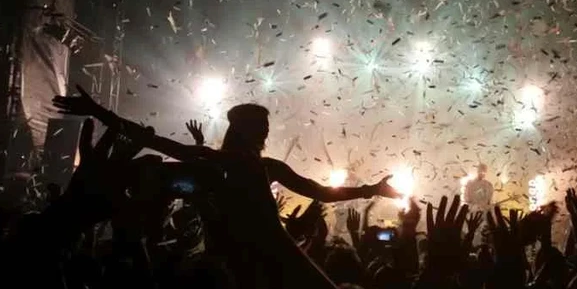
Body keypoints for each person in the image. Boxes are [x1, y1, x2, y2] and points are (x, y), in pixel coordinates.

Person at [52, 85, 401, 204]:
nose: (266, 133)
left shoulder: (268, 168)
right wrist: (99, 111)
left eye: (266, 126)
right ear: (244, 131)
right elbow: (150, 138)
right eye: (260, 126)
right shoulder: (220, 162)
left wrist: (370, 189)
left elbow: (321, 191)